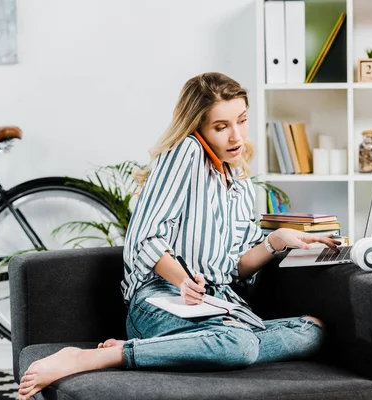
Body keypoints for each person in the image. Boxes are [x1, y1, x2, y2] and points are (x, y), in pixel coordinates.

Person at [17, 72, 341, 400]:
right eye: (221, 126)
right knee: (239, 346)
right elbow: (144, 238)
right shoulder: (185, 152)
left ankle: (160, 349)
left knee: (311, 331)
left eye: (241, 121)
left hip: (218, 307)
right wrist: (182, 279)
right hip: (159, 301)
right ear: (198, 126)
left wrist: (277, 240)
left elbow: (234, 269)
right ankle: (97, 357)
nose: (236, 136)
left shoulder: (240, 180)